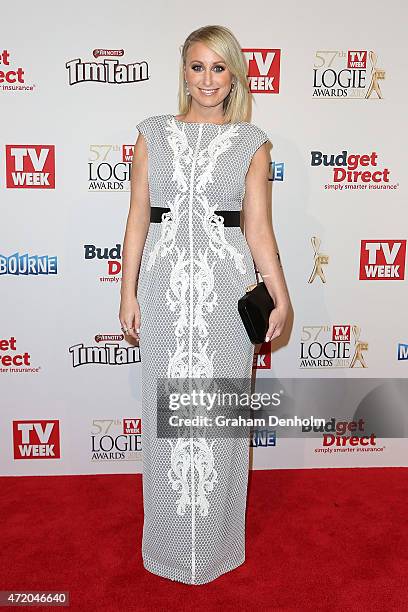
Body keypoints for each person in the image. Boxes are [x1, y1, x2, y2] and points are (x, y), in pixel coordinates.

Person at [119, 25, 290, 585]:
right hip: (165, 286)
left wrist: (281, 296)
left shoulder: (252, 143)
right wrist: (127, 289)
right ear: (183, 72)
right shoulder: (152, 135)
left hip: (225, 286)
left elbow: (259, 228)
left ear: (235, 76)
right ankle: (168, 544)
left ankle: (214, 546)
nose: (208, 80)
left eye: (219, 68)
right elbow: (138, 218)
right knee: (168, 421)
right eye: (197, 67)